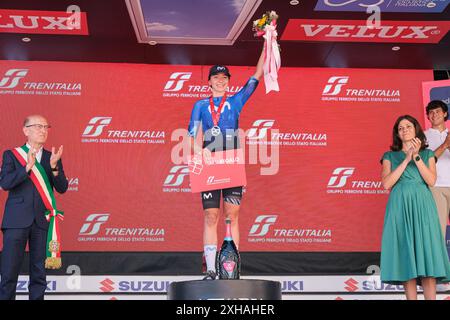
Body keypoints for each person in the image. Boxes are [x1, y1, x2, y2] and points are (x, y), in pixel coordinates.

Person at [187, 45, 265, 279]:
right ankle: (211, 268)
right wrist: (201, 151)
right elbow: (190, 137)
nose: (220, 81)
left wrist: (267, 44)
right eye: (216, 78)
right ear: (209, 82)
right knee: (211, 216)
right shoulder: (200, 105)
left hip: (232, 163)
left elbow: (257, 75)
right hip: (209, 164)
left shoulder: (236, 101)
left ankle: (233, 268)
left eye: (224, 78)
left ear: (228, 82)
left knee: (232, 215)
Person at [380, 114, 450, 300]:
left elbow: (431, 180)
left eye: (408, 126)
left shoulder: (428, 154)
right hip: (400, 207)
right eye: (400, 128)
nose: (404, 130)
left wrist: (416, 156)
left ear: (416, 130)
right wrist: (406, 159)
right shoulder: (389, 156)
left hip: (423, 206)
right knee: (407, 257)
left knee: (428, 257)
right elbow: (387, 184)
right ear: (397, 133)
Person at [0, 115, 68, 300]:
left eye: (46, 126)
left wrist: (54, 167)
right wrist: (26, 168)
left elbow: (62, 187)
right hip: (16, 221)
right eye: (38, 126)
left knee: (39, 273)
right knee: (9, 272)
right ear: (25, 130)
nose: (43, 130)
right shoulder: (12, 155)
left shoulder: (51, 157)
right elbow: (5, 183)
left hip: (42, 222)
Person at [424, 100, 450, 238]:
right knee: (438, 230)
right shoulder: (422, 136)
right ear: (428, 116)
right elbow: (425, 162)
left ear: (445, 114)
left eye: (438, 111)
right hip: (436, 186)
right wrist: (444, 145)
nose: (434, 115)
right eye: (431, 112)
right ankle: (439, 260)